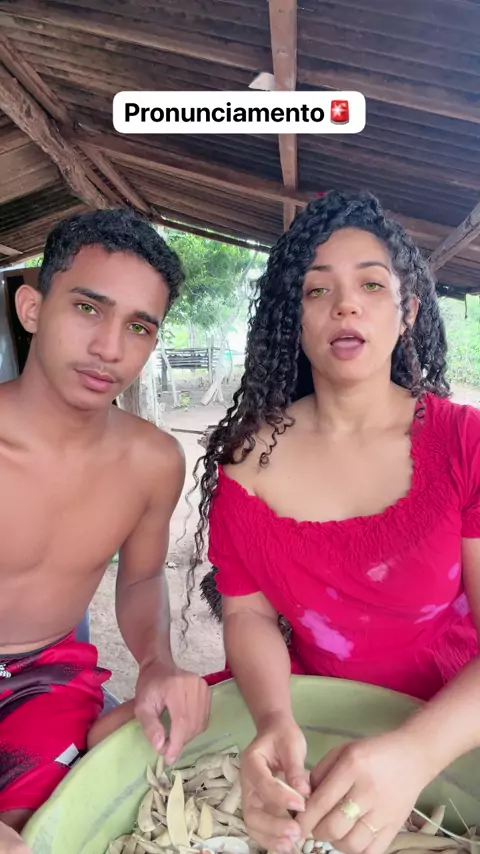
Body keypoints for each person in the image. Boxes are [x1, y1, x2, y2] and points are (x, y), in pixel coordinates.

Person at [190, 190, 480, 854]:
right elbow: (248, 614)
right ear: (294, 320)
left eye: (371, 285)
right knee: (114, 734)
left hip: (452, 709)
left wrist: (414, 754)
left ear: (408, 311)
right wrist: (274, 720)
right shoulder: (247, 463)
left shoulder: (465, 443)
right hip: (309, 700)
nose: (345, 305)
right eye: (317, 291)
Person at [0, 208, 210, 853]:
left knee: (46, 826)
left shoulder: (152, 461)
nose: (110, 349)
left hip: (43, 673)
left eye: (139, 326)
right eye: (88, 308)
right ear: (32, 308)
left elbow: (142, 578)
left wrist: (157, 663)